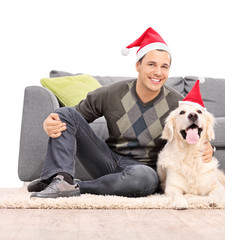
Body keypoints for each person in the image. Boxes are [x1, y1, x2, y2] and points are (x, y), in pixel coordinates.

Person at [29, 27, 213, 198]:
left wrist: (209, 148)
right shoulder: (112, 93)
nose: (158, 72)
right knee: (65, 113)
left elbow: (200, 130)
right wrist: (51, 122)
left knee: (143, 177)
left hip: (146, 171)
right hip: (108, 161)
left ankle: (75, 187)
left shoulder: (178, 105)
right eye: (151, 64)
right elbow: (72, 119)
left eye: (164, 67)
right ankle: (58, 177)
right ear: (138, 66)